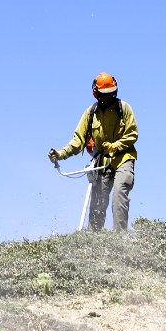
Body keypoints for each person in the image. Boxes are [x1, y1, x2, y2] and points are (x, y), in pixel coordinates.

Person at [48, 73, 138, 230]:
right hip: (101, 163)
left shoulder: (124, 108)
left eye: (111, 93)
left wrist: (115, 146)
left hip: (123, 158)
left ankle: (120, 239)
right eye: (105, 94)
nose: (108, 97)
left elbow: (132, 134)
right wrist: (61, 154)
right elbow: (78, 141)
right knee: (97, 202)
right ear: (96, 93)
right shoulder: (90, 113)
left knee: (119, 195)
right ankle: (94, 240)